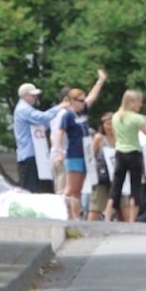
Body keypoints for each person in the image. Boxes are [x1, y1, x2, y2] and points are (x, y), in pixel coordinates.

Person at [55, 69, 107, 219]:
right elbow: (60, 133)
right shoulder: (68, 115)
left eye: (83, 100)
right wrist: (59, 151)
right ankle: (60, 210)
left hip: (86, 153)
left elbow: (92, 97)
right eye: (79, 100)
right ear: (72, 101)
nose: (83, 103)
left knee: (78, 188)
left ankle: (74, 216)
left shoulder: (82, 111)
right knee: (70, 187)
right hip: (74, 154)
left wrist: (100, 81)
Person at [103, 90, 146, 223]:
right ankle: (132, 219)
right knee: (135, 187)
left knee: (116, 185)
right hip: (134, 153)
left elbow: (116, 138)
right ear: (132, 102)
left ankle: (107, 216)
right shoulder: (137, 118)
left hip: (120, 153)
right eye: (139, 101)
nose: (140, 104)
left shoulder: (116, 117)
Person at [13, 83, 62, 193]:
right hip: (28, 155)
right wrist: (60, 107)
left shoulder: (25, 109)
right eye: (32, 95)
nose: (35, 98)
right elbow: (42, 118)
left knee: (33, 188)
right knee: (28, 190)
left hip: (32, 155)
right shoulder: (23, 110)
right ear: (24, 96)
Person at [87, 112, 129, 221]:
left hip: (118, 174)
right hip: (102, 175)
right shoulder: (99, 138)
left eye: (112, 124)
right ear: (103, 125)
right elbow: (91, 156)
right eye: (107, 124)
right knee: (97, 206)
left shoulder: (121, 138)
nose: (110, 127)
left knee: (123, 205)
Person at [49, 87, 71, 195]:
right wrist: (60, 152)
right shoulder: (65, 114)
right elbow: (59, 133)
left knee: (58, 189)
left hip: (54, 154)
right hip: (63, 154)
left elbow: (51, 137)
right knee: (63, 192)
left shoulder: (54, 114)